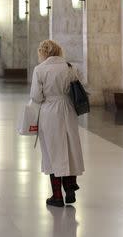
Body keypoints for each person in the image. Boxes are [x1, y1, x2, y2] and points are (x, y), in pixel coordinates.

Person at [29, 39, 85, 207]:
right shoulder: (70, 67)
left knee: (52, 152)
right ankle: (70, 190)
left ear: (43, 53)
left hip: (49, 112)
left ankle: (57, 196)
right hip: (68, 110)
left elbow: (36, 96)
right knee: (69, 149)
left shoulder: (39, 70)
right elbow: (81, 88)